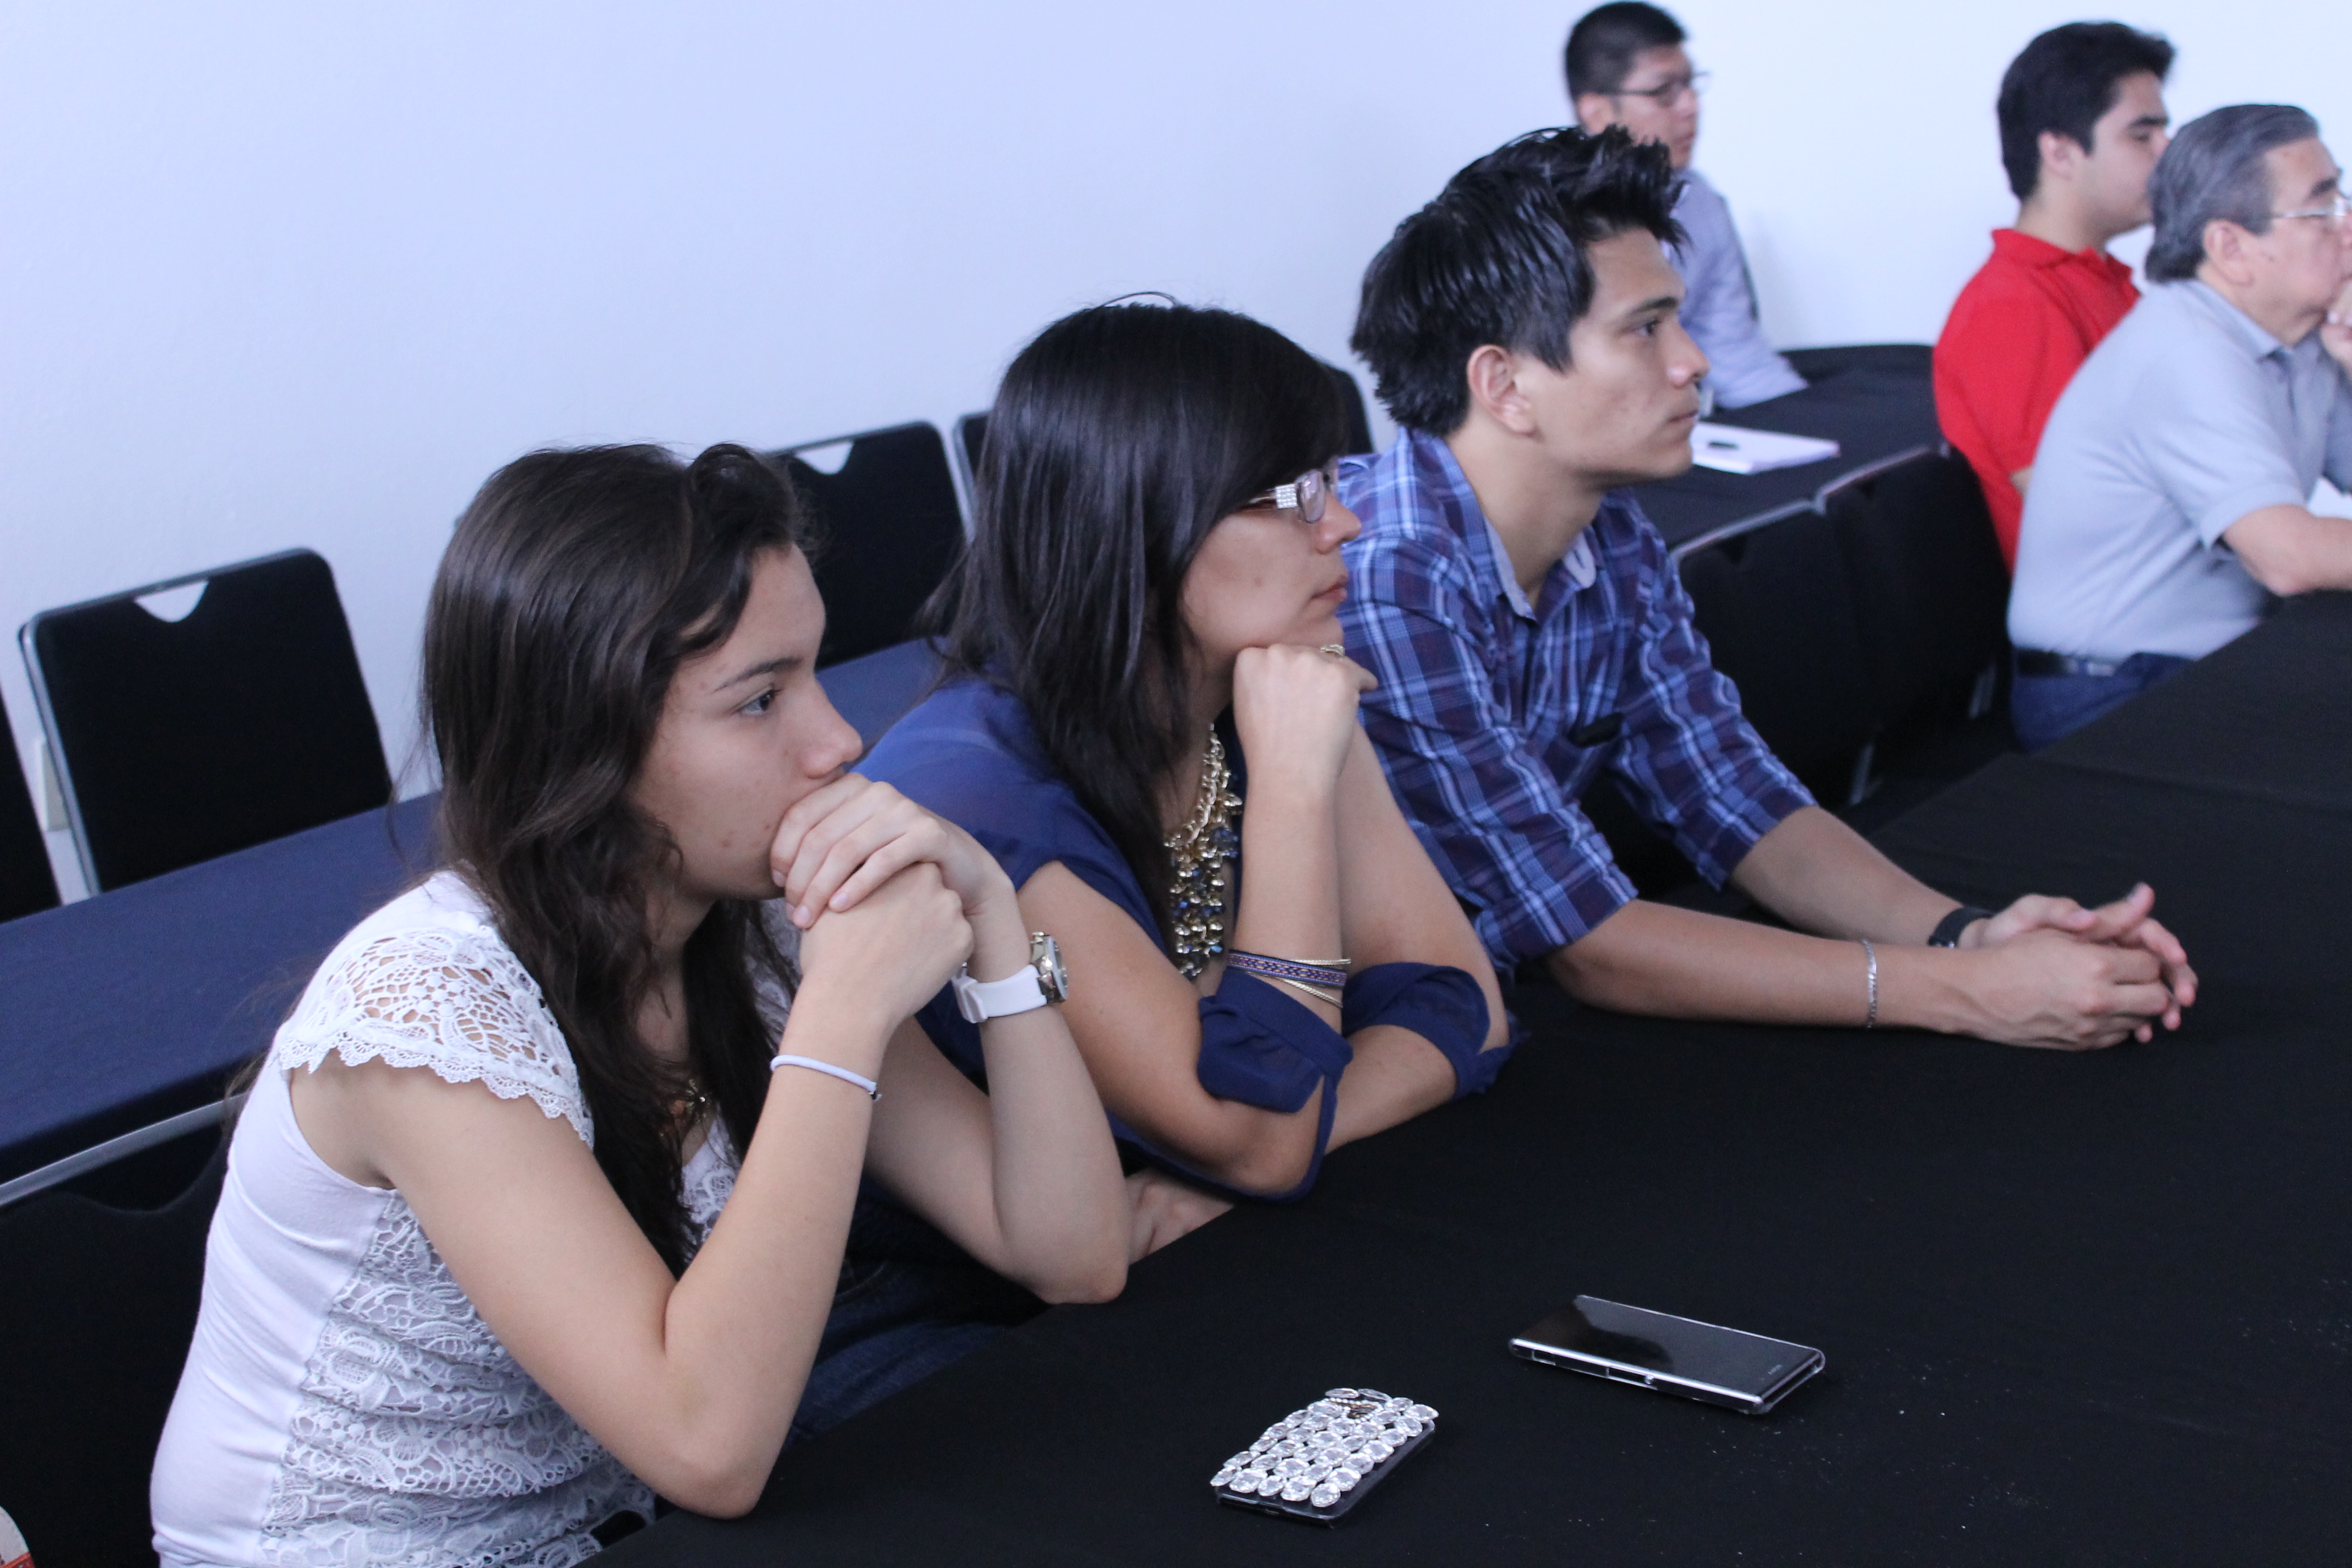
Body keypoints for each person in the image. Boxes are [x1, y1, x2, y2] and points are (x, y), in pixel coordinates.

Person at [151, 445, 1130, 1562]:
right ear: (589, 739)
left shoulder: (745, 924)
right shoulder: (426, 1014)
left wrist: (994, 915)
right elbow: (708, 1443)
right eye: (761, 698)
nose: (838, 740)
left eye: (815, 670)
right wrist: (843, 1020)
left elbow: (1071, 1251)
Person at [1340, 126, 2198, 1050]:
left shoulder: (1612, 531)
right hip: (1329, 1051)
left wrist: (1966, 934)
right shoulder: (1386, 571)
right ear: (1503, 384)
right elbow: (1584, 942)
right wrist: (1969, 992)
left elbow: (1733, 792)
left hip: (1459, 1021)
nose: (1693, 361)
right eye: (1645, 327)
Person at [861, 302, 1510, 1221]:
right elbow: (1260, 1135)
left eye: (1334, 478)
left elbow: (1459, 1004)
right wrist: (1288, 792)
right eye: (1297, 495)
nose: (1347, 525)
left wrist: (1222, 1174)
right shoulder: (974, 795)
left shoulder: (1273, 681)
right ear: (1140, 523)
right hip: (978, 1320)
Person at [2008, 106, 2352, 749]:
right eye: (2322, 208)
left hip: (2213, 663)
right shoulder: (2187, 352)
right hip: (2107, 692)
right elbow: (2290, 557)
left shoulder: (2303, 338)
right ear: (2231, 247)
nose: (2348, 226)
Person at [1935, 23, 2174, 570]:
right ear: (2061, 153)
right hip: (2115, 625)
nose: (2168, 151)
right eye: (2143, 135)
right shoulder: (2011, 306)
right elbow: (2083, 514)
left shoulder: (2101, 282)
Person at [1566, 2, 1803, 409]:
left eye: (1691, 85)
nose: (1691, 106)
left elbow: (1736, 358)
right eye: (1664, 92)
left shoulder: (1701, 203)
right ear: (1598, 112)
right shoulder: (1550, 221)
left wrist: (1819, 430)